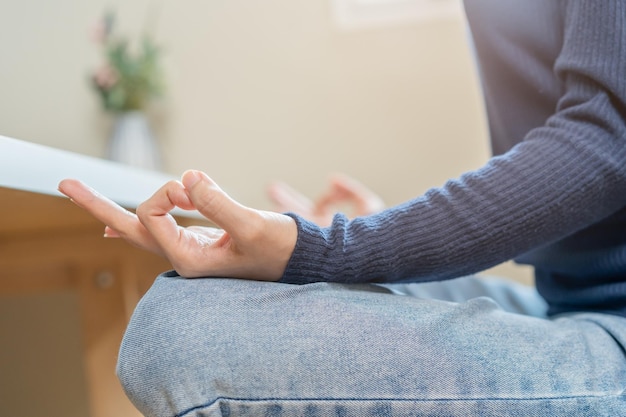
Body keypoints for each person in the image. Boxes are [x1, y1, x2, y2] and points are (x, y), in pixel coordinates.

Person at [58, 0, 626, 416]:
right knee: (208, 298)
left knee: (182, 332)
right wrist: (381, 239)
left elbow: (607, 140)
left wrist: (335, 250)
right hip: (566, 304)